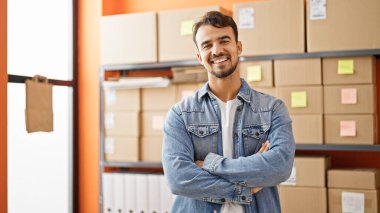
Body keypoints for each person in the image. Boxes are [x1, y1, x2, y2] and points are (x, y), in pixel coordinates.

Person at [162, 11, 295, 213]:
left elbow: (280, 166)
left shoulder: (272, 109)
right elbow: (179, 179)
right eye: (207, 45)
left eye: (224, 41)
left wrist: (210, 163)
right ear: (199, 57)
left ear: (238, 47)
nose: (216, 50)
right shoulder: (180, 115)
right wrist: (245, 189)